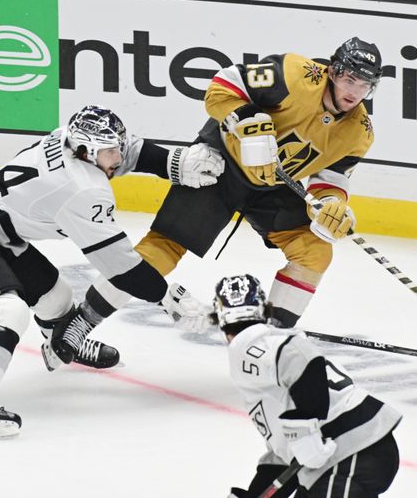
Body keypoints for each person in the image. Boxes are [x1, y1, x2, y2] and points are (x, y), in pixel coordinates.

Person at [0, 105, 223, 438]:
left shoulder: (67, 137)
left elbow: (130, 150)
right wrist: (167, 297)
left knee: (58, 298)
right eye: (110, 152)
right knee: (8, 309)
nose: (118, 156)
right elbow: (121, 266)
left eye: (116, 147)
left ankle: (61, 342)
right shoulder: (84, 188)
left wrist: (174, 164)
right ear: (86, 152)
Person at [134, 37, 381, 331]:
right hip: (221, 165)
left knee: (315, 249)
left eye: (364, 84)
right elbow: (222, 86)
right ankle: (84, 318)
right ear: (333, 71)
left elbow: (331, 179)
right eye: (350, 79)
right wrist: (247, 120)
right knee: (165, 247)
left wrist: (330, 204)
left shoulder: (359, 132)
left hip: (273, 186)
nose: (355, 92)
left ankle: (270, 336)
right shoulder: (294, 73)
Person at [215, 274, 401, 498]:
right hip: (360, 451)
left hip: (350, 450)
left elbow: (303, 358)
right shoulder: (264, 371)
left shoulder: (251, 343)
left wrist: (304, 431)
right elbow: (284, 459)